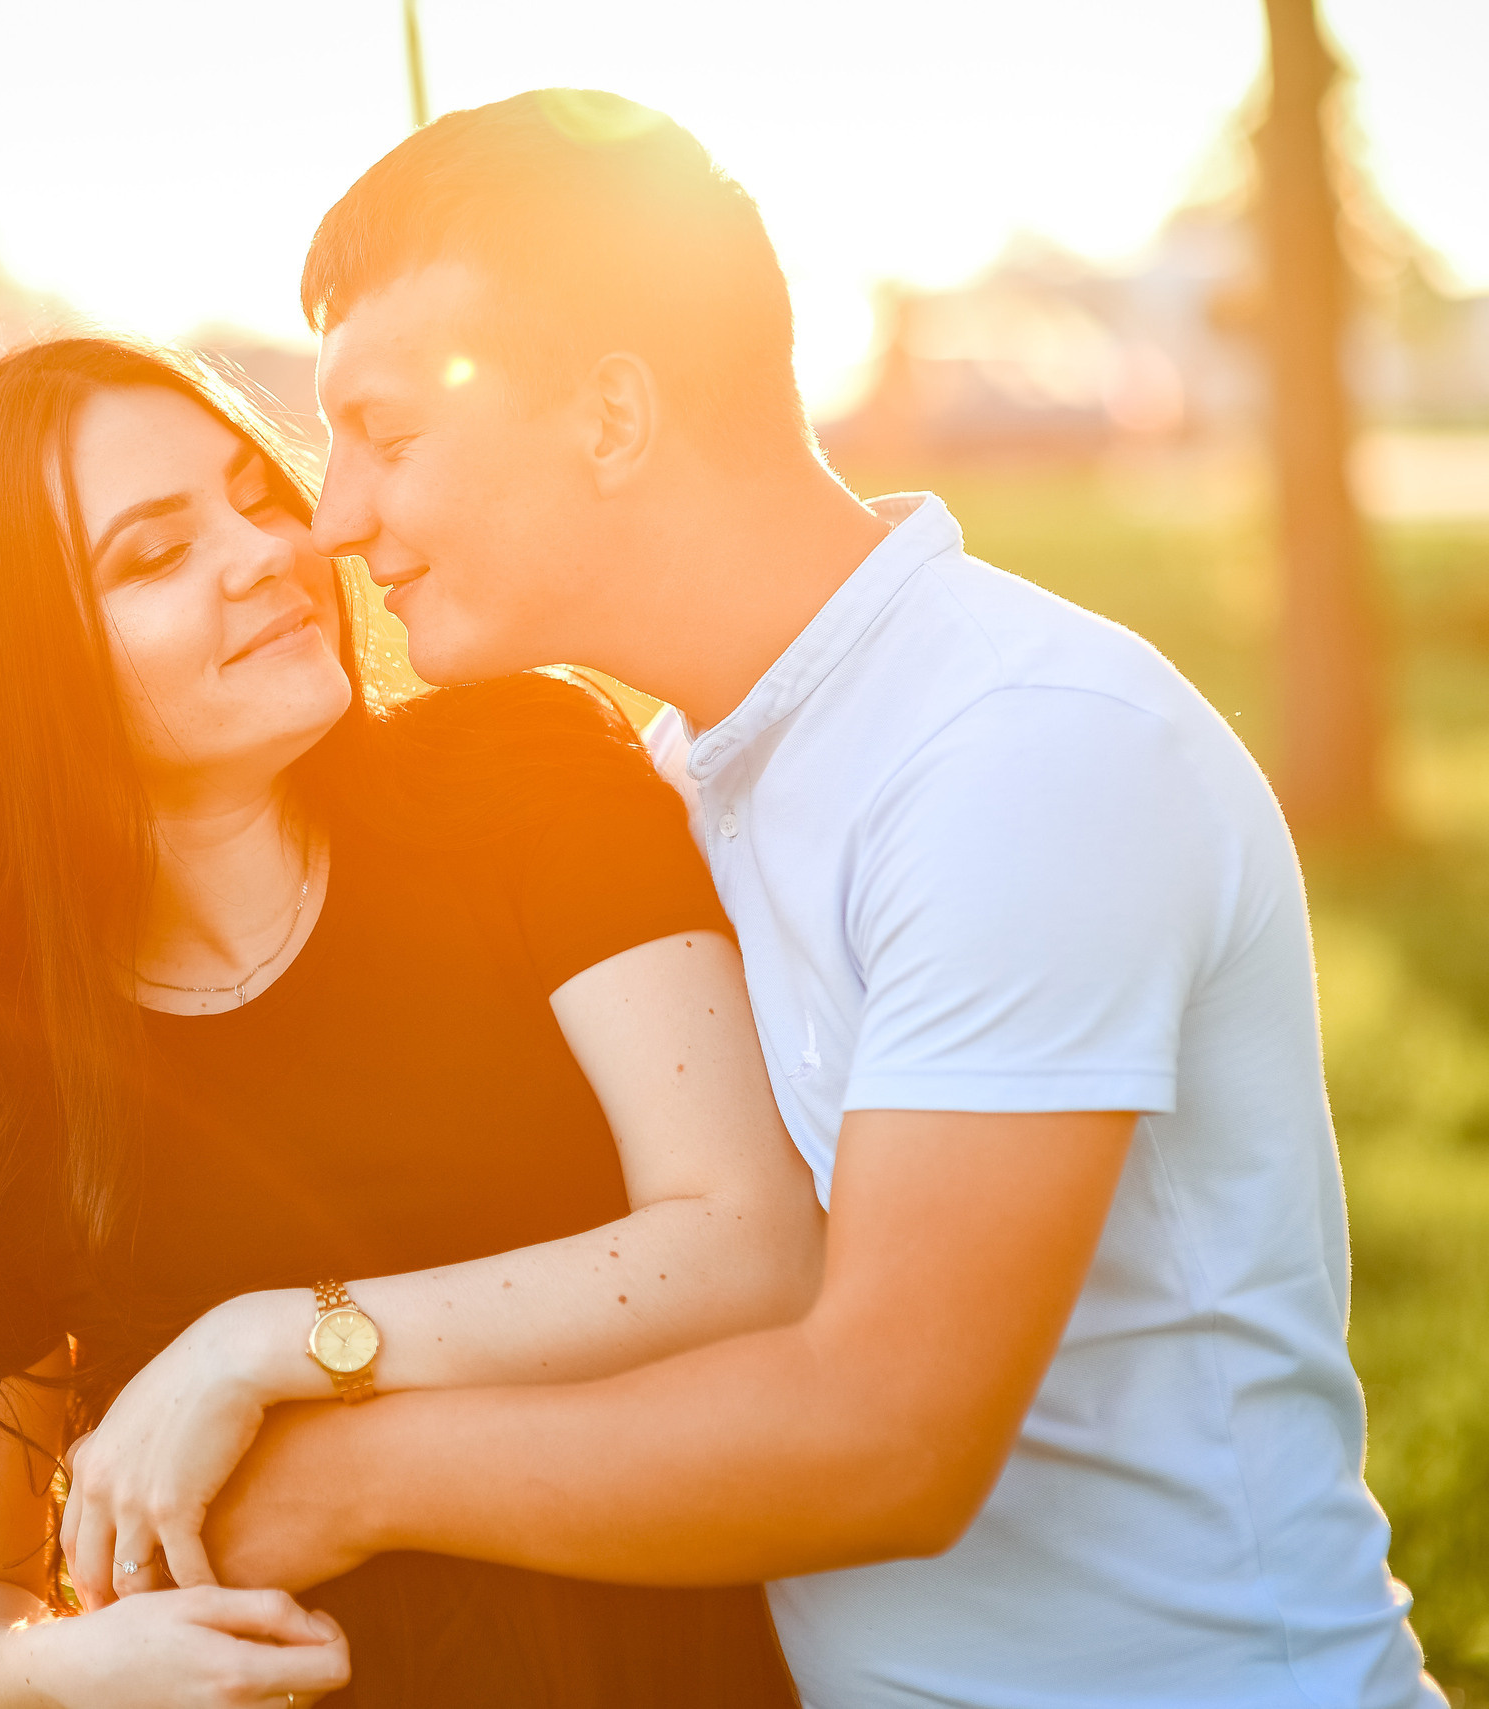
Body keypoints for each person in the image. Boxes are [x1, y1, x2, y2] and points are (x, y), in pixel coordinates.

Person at [193, 89, 1447, 1709]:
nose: (334, 517)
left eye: (392, 434)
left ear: (615, 417)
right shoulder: (679, 776)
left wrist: (350, 1470)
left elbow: (891, 1437)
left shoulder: (1019, 754)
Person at [0, 335, 822, 1706]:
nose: (269, 549)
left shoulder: (523, 772)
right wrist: (73, 1671)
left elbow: (751, 1243)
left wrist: (273, 1339)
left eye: (254, 494)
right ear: (10, 673)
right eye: (153, 555)